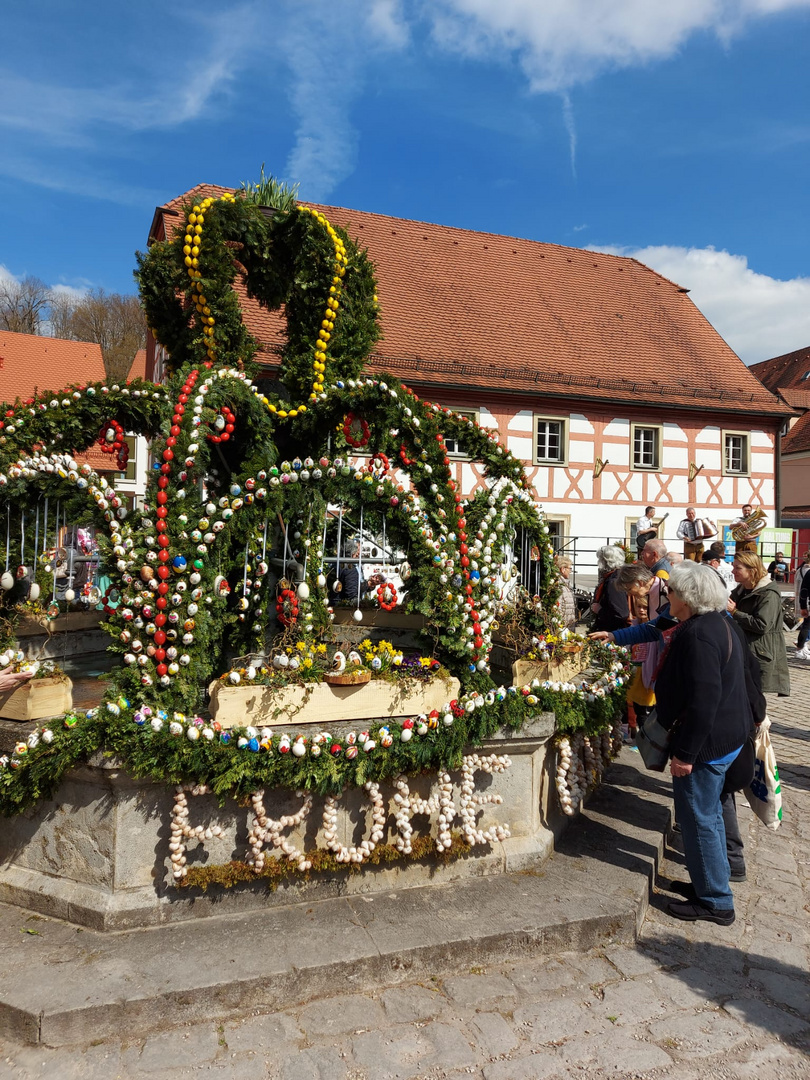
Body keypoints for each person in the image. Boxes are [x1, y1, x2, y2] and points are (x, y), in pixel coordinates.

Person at [655, 562, 752, 925]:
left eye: (672, 591)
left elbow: (704, 699)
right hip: (725, 738)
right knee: (705, 817)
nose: (668, 596)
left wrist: (685, 753)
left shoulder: (698, 635)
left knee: (699, 819)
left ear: (688, 597)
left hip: (708, 746)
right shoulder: (716, 624)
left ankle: (715, 901)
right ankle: (709, 883)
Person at [728, 551, 790, 696]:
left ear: (752, 570)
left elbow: (762, 625)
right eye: (733, 566)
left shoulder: (768, 593)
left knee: (754, 704)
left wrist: (735, 612)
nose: (733, 571)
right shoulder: (740, 590)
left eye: (738, 568)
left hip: (759, 654)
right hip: (742, 651)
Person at [590, 545, 630, 632]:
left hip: (613, 633)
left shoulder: (614, 581)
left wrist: (600, 610)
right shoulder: (617, 577)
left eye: (600, 559)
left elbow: (621, 613)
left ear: (605, 561)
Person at [794, 551, 810, 658]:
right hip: (807, 600)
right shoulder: (808, 571)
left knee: (807, 625)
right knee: (807, 626)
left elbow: (803, 589)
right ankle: (800, 646)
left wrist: (802, 605)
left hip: (805, 600)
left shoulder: (800, 570)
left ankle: (801, 646)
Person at [554, 554, 577, 627]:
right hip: (562, 627)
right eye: (569, 568)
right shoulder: (558, 585)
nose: (570, 571)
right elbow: (557, 607)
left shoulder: (564, 583)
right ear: (563, 569)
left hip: (567, 625)